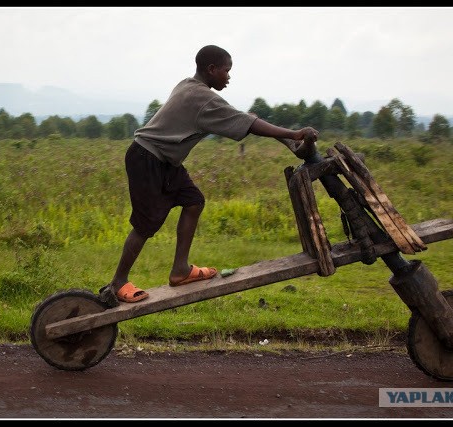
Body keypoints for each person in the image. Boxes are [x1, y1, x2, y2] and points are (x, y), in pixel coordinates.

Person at [99, 44, 319, 307]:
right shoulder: (202, 98)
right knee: (146, 225)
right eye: (227, 71)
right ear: (212, 69)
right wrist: (293, 135)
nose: (229, 77)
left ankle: (180, 269)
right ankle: (118, 282)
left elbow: (240, 118)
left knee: (194, 201)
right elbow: (248, 124)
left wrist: (261, 126)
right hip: (147, 158)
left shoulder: (189, 86)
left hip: (165, 161)